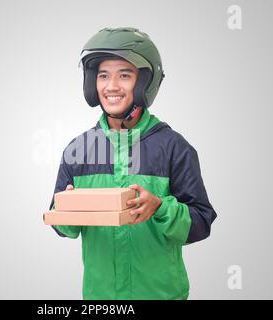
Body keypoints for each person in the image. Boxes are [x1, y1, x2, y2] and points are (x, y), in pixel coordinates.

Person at [48, 27, 217, 300]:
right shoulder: (77, 151)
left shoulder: (174, 148)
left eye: (124, 75)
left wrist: (161, 208)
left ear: (145, 83)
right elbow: (60, 225)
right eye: (103, 75)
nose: (111, 86)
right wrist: (67, 213)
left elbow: (201, 224)